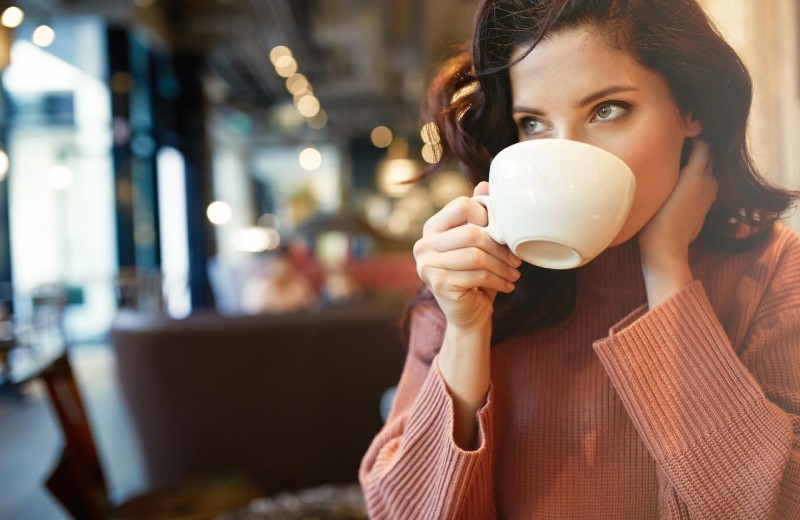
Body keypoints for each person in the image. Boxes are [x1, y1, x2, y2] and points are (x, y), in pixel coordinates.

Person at [359, 0, 800, 518]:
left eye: (607, 109)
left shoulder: (772, 269)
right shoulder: (473, 280)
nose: (565, 159)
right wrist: (465, 331)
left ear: (690, 108)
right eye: (535, 123)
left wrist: (666, 268)